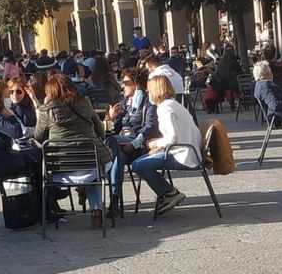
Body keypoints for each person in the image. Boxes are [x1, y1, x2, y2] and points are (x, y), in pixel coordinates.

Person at [33, 71, 111, 227]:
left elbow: (38, 137)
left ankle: (53, 210)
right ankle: (97, 211)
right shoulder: (85, 103)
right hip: (90, 164)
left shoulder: (46, 111)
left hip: (60, 169)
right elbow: (101, 132)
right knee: (96, 170)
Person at [131, 73, 201, 216]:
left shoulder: (165, 108)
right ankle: (167, 192)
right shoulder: (173, 104)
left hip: (183, 154)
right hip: (187, 150)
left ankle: (168, 192)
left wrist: (154, 144)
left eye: (149, 90)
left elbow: (172, 138)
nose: (148, 93)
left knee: (138, 164)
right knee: (140, 161)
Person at [107, 68, 158, 200]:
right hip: (120, 146)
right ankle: (115, 200)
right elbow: (115, 128)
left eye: (126, 83)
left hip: (137, 145)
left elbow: (150, 126)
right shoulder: (124, 103)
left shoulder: (148, 101)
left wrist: (133, 144)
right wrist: (111, 118)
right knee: (117, 159)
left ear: (136, 84)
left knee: (109, 141)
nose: (122, 86)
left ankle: (85, 187)